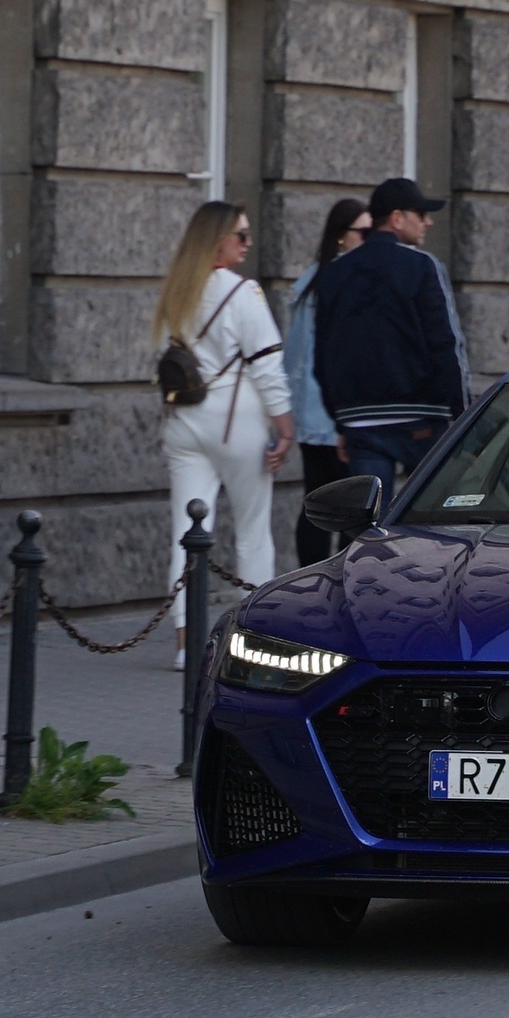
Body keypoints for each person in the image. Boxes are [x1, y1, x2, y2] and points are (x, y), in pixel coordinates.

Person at [155, 201, 293, 668]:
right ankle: (251, 645)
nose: (248, 244)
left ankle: (184, 644)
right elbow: (269, 366)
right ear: (218, 241)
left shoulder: (177, 291)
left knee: (187, 531)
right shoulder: (243, 293)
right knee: (253, 533)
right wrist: (286, 428)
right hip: (239, 422)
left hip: (184, 422)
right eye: (241, 236)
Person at [311, 178, 469, 505]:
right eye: (421, 214)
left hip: (361, 421)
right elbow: (446, 344)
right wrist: (464, 412)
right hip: (421, 416)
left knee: (369, 525)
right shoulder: (422, 266)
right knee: (435, 521)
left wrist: (340, 417)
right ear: (397, 218)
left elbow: (323, 354)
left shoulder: (335, 273)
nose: (428, 221)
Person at [282, 197, 373, 565]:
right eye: (362, 232)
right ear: (341, 236)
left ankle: (310, 585)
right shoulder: (346, 283)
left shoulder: (311, 281)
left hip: (313, 418)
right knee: (354, 510)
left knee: (317, 506)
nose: (370, 239)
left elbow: (294, 359)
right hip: (337, 417)